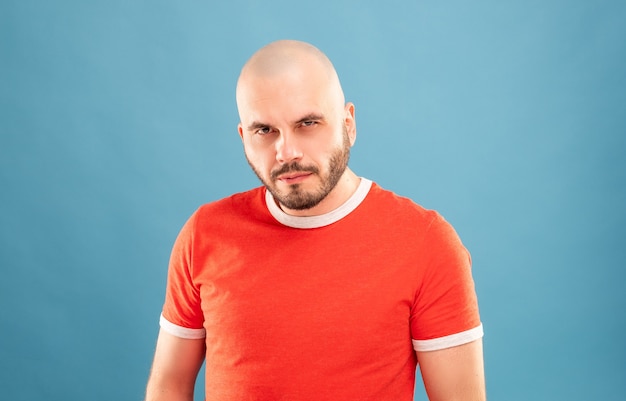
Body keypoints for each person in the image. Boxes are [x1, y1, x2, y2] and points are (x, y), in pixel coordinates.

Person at [145, 39, 485, 401]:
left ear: (348, 124)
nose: (287, 152)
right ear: (244, 137)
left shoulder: (426, 243)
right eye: (265, 130)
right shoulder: (204, 233)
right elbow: (169, 383)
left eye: (308, 123)